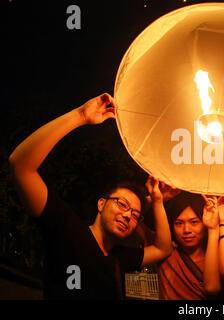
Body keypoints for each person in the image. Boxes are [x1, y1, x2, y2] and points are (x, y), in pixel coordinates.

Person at [8, 93, 173, 299]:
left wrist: (157, 200)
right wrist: (81, 116)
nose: (127, 215)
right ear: (101, 204)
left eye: (135, 214)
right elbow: (21, 166)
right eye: (122, 204)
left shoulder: (119, 258)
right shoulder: (67, 229)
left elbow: (163, 248)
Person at [155, 192, 221, 300]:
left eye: (194, 222)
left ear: (204, 224)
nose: (186, 230)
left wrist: (213, 228)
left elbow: (213, 288)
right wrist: (156, 199)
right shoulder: (163, 251)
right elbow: (136, 223)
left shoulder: (216, 258)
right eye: (179, 223)